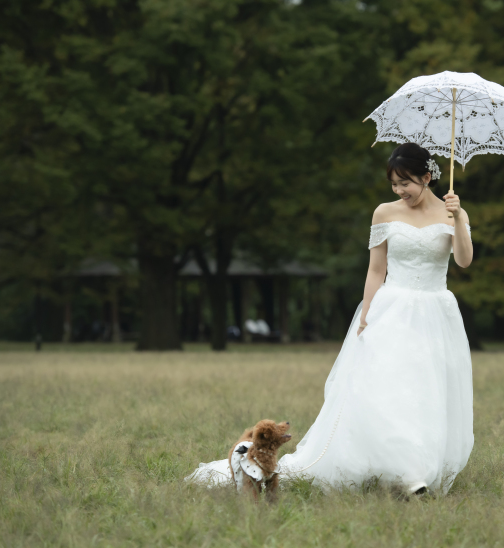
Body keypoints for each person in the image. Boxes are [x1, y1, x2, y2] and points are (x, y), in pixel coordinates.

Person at [187, 142, 474, 495]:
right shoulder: (384, 213)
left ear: (427, 177)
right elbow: (376, 269)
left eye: (406, 184)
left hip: (434, 312)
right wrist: (367, 314)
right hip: (393, 309)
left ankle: (418, 467)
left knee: (426, 392)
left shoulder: (451, 213)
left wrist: (459, 218)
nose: (400, 191)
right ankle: (407, 475)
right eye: (394, 185)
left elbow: (463, 261)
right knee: (391, 389)